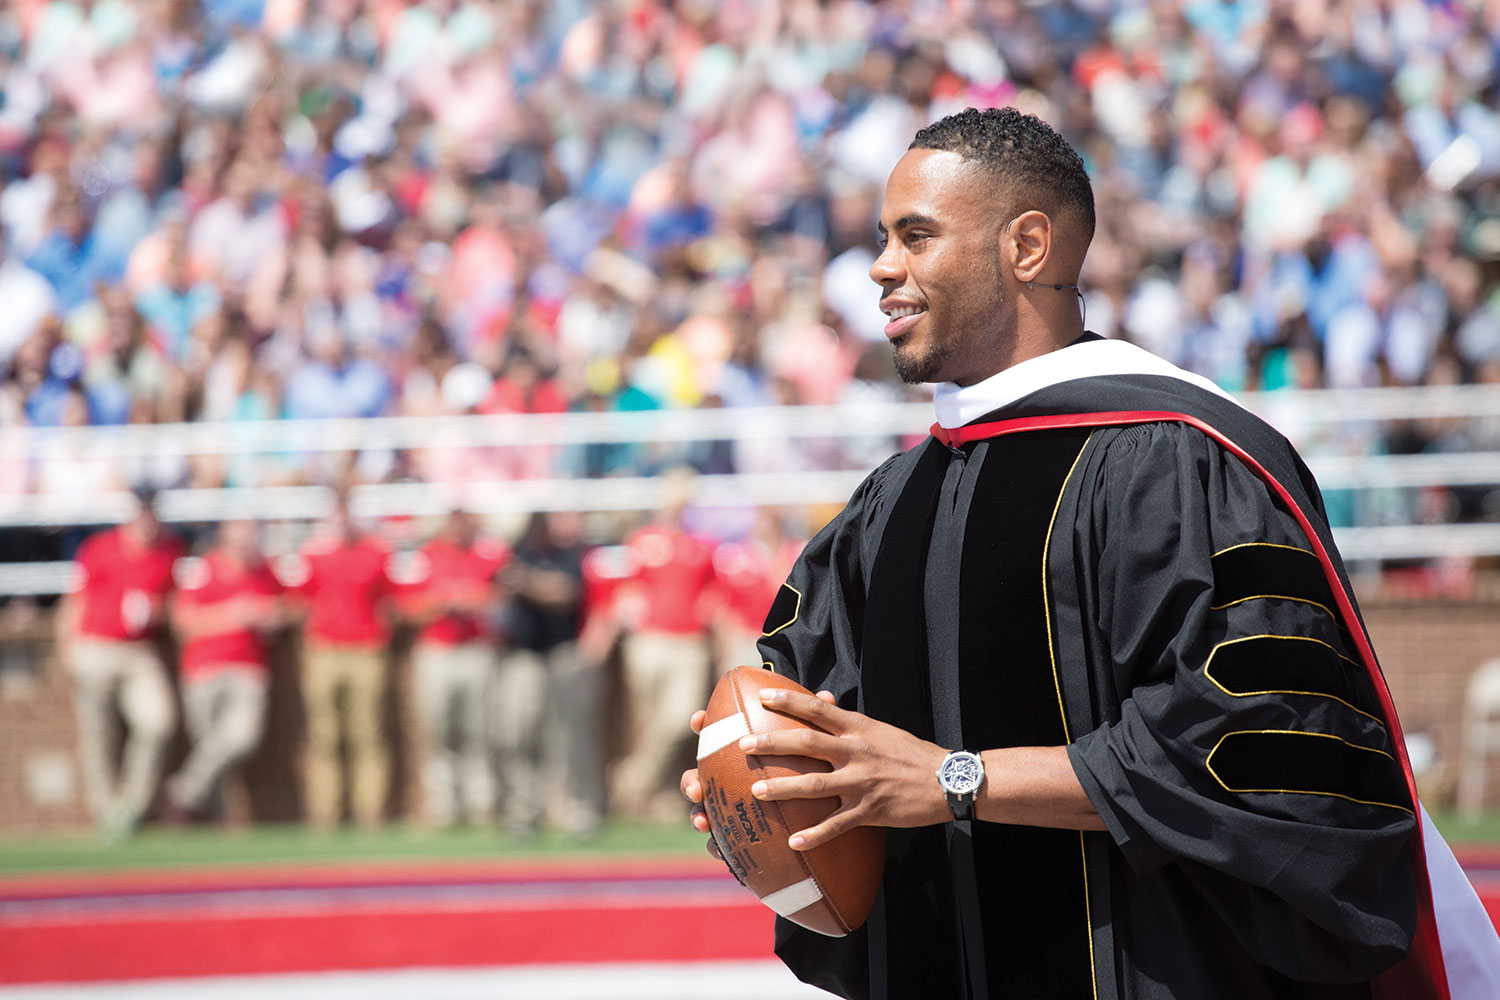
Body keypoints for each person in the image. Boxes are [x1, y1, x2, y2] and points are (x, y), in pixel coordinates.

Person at [681, 108, 1500, 999]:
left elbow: (1251, 753)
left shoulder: (1175, 461)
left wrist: (956, 781)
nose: (881, 266)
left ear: (1027, 245)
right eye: (884, 238)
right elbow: (809, 698)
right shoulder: (895, 497)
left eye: (916, 236)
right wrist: (758, 772)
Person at [55, 487, 184, 836]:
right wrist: (67, 648)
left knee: (159, 721)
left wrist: (156, 611)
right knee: (98, 735)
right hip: (94, 647)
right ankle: (104, 811)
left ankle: (132, 805)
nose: (145, 521)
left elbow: (174, 605)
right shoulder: (100, 548)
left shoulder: (168, 552)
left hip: (139, 652)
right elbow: (75, 600)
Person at [612, 467, 716, 820]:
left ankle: (632, 780)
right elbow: (627, 589)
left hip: (688, 643)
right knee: (649, 720)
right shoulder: (642, 541)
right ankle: (653, 798)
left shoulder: (700, 546)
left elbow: (712, 596)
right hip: (649, 641)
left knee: (677, 719)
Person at [164, 518, 284, 823]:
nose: (247, 538)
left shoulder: (264, 570)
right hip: (204, 669)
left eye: (251, 531)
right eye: (240, 531)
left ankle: (184, 791)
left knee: (240, 737)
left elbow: (282, 609)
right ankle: (217, 819)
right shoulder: (205, 569)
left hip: (248, 669)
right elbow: (183, 621)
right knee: (209, 746)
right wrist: (233, 614)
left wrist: (269, 618)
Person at [289, 496, 397, 829]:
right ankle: (325, 816)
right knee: (324, 736)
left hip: (366, 651)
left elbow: (393, 599)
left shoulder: (377, 552)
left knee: (368, 735)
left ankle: (370, 816)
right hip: (324, 650)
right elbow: (295, 600)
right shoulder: (315, 554)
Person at [400, 509, 508, 828]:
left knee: (479, 730)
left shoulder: (488, 554)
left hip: (476, 650)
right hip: (438, 650)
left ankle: (481, 803)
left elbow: (504, 599)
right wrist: (441, 602)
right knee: (438, 730)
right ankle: (443, 804)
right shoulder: (427, 556)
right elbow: (406, 608)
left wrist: (474, 600)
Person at [500, 510, 594, 837]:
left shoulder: (567, 554)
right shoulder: (516, 553)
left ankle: (575, 810)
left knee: (571, 737)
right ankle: (524, 813)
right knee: (519, 734)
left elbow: (565, 593)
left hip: (563, 652)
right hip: (524, 654)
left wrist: (527, 582)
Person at [709, 506, 805, 677]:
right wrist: (724, 648)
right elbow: (724, 607)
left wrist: (773, 557)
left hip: (784, 640)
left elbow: (787, 595)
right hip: (746, 639)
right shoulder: (735, 558)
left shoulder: (794, 553)